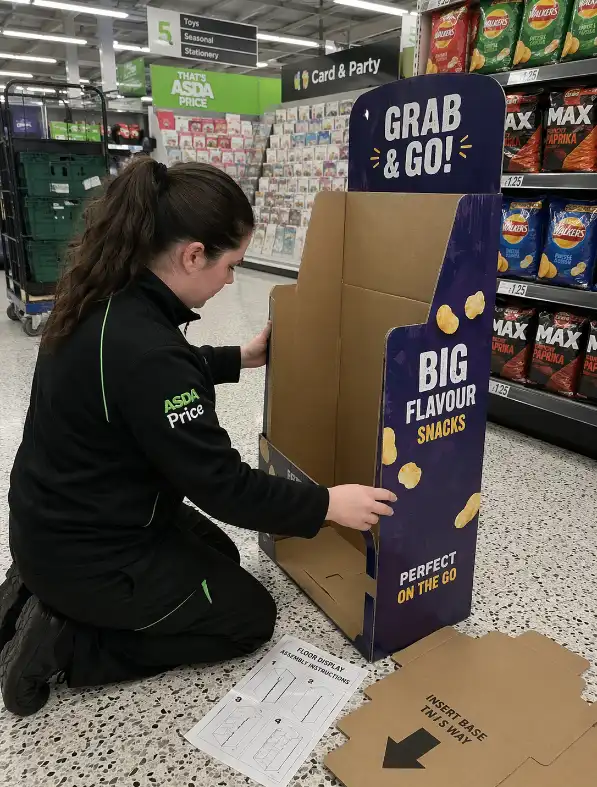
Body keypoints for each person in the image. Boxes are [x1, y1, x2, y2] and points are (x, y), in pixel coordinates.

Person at [0, 158, 396, 718]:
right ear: (192, 255)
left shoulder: (105, 297)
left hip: (58, 520)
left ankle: (39, 590)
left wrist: (239, 358)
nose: (231, 279)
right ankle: (71, 645)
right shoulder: (151, 354)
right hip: (93, 551)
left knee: (220, 556)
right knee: (247, 617)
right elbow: (224, 487)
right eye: (230, 265)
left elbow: (146, 380)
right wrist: (328, 504)